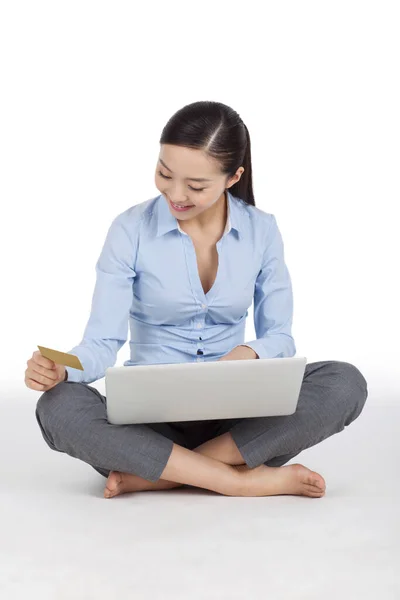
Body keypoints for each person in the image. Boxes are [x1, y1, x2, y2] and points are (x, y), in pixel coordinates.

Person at [25, 100, 368, 499]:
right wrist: (62, 369)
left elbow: (280, 338)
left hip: (237, 419)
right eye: (164, 174)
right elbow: (102, 343)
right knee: (57, 406)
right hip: (150, 423)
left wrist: (247, 354)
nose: (175, 194)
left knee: (345, 382)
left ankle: (164, 472)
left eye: (196, 185)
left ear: (233, 176)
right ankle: (235, 479)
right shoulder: (130, 230)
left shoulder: (262, 231)